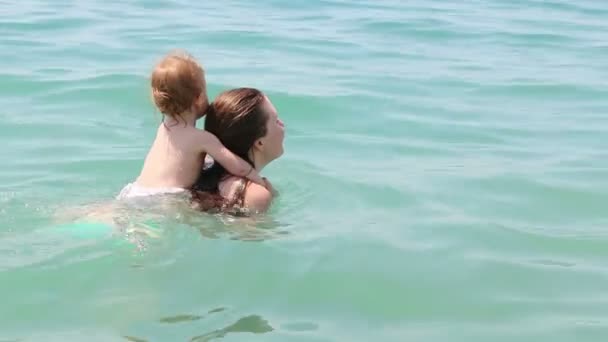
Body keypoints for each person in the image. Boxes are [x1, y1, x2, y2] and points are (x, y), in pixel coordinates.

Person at [117, 50, 264, 199]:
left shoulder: (163, 128)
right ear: (198, 98)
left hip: (136, 191)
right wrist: (257, 178)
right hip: (165, 198)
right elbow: (237, 167)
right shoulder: (202, 139)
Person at [191, 87, 285, 214]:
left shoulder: (198, 169)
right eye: (276, 120)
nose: (282, 124)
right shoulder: (254, 194)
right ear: (259, 143)